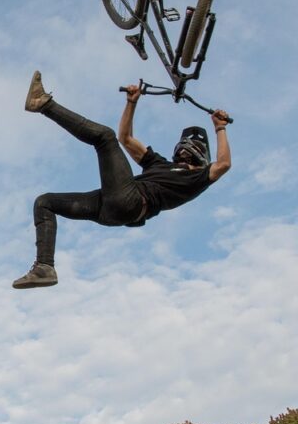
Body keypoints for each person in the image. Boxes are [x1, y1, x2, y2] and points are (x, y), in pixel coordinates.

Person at [14, 71, 231, 289]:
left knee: (103, 137)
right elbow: (125, 139)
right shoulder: (159, 164)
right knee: (44, 202)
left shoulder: (197, 177)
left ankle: (43, 104)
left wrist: (219, 128)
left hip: (131, 202)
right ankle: (44, 267)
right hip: (110, 209)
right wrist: (131, 103)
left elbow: (223, 165)